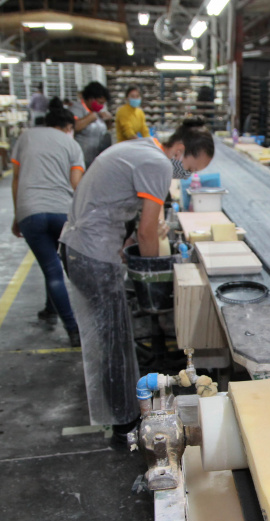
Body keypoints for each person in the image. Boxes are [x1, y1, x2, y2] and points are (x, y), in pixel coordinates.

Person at [59, 120, 214, 444]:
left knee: (112, 339)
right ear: (179, 150)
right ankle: (124, 426)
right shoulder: (158, 163)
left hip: (82, 247)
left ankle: (122, 415)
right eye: (188, 168)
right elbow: (146, 232)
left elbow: (124, 208)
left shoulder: (143, 148)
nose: (185, 176)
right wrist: (153, 276)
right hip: (92, 254)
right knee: (113, 343)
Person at [10, 98, 85, 346]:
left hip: (30, 211)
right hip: (62, 213)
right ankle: (74, 328)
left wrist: (17, 215)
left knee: (50, 266)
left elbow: (16, 179)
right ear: (68, 127)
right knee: (60, 267)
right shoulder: (72, 144)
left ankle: (53, 310)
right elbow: (76, 184)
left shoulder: (26, 137)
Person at [69, 81, 112, 167]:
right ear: (91, 99)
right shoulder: (77, 109)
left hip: (95, 160)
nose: (101, 106)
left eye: (103, 104)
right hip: (80, 160)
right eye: (100, 102)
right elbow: (74, 127)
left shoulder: (98, 113)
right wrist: (90, 118)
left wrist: (108, 121)